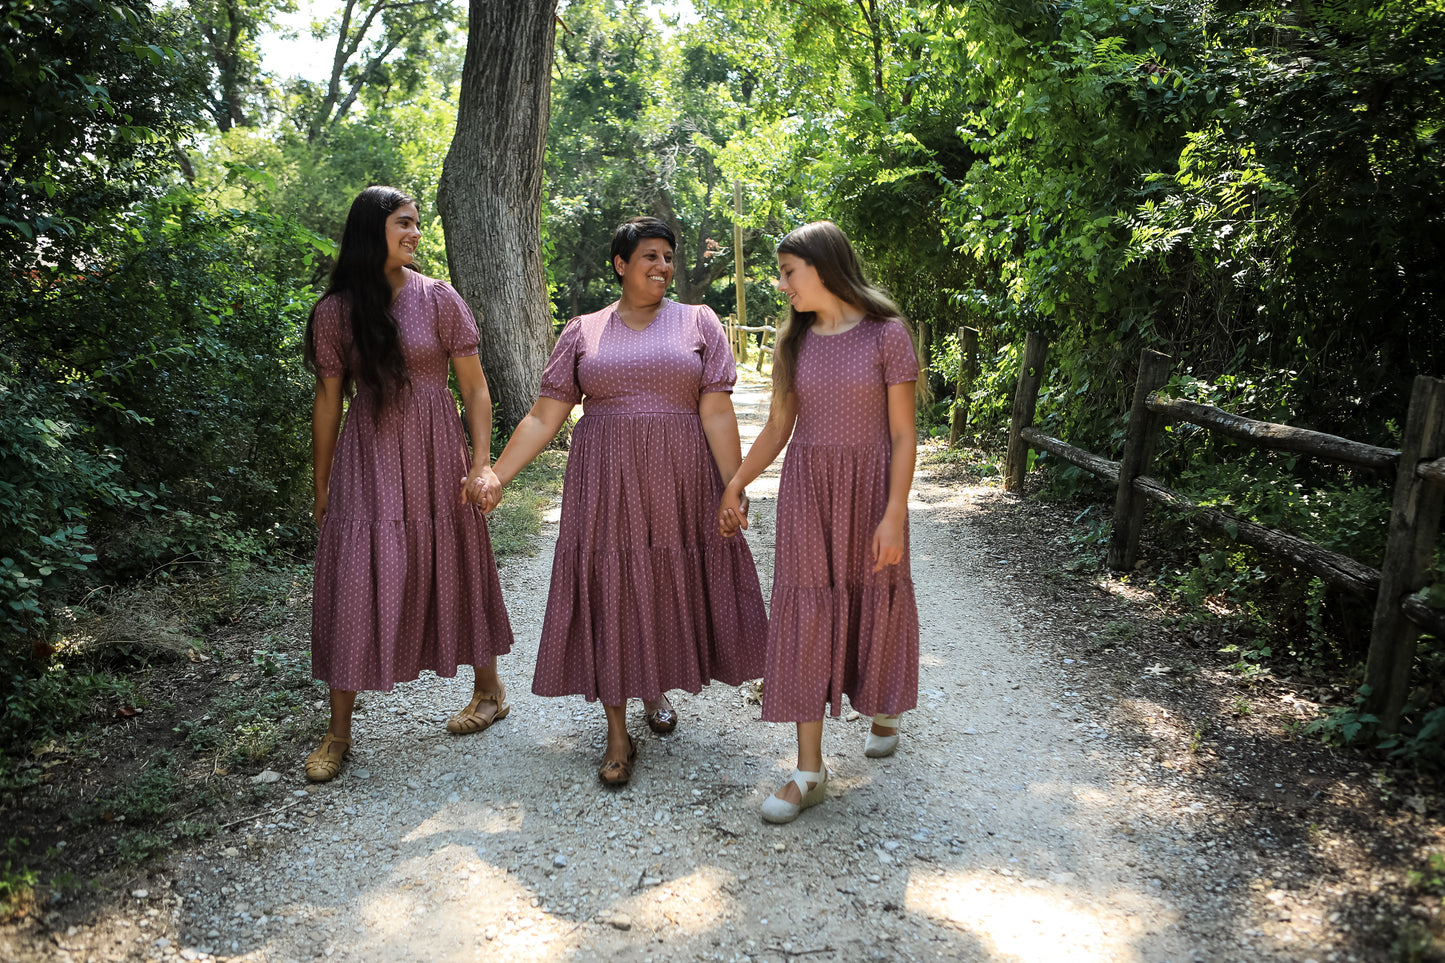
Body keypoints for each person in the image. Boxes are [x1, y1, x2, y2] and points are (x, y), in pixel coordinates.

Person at [477, 216, 767, 787]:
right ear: (620, 264)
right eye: (649, 257)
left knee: (660, 581)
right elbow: (545, 414)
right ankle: (617, 733)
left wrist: (734, 486)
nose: (662, 267)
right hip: (605, 480)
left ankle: (652, 683)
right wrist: (498, 474)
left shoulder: (699, 322)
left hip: (681, 480)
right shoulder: (583, 331)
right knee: (613, 584)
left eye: (667, 257)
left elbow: (715, 410)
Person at [302, 186, 514, 782]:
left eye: (418, 223)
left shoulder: (439, 299)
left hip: (436, 453)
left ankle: (490, 690)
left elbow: (474, 387)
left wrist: (479, 463)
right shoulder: (335, 312)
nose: (416, 233)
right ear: (374, 231)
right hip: (366, 459)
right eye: (404, 224)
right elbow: (327, 401)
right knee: (353, 576)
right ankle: (339, 733)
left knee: (457, 559)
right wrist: (321, 483)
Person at [718, 220, 919, 823]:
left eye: (788, 273)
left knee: (875, 593)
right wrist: (737, 482)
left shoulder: (888, 336)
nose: (782, 286)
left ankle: (883, 703)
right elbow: (780, 426)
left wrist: (893, 514)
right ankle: (810, 771)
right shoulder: (796, 342)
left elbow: (905, 434)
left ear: (825, 268)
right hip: (810, 492)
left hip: (870, 491)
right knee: (806, 608)